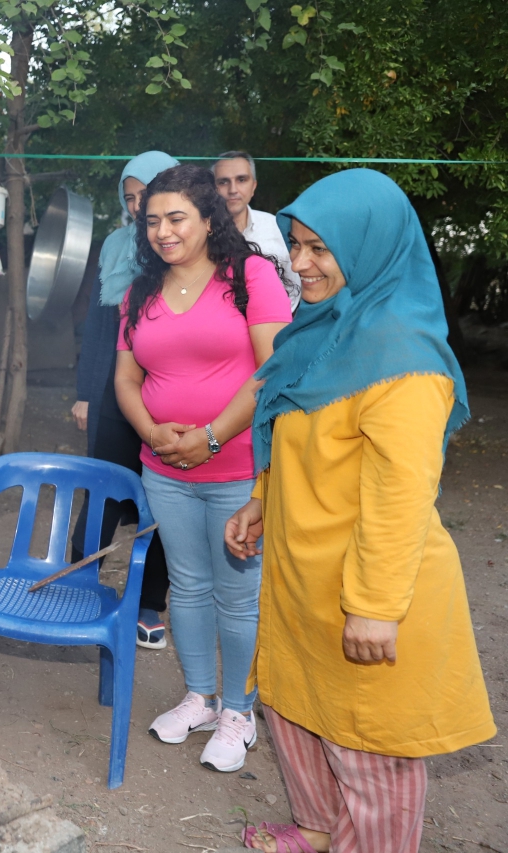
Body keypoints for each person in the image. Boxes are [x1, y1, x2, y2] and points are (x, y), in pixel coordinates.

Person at [226, 169, 496, 853]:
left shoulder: (404, 360)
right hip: (300, 579)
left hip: (365, 591)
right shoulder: (321, 332)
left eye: (322, 248)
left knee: (368, 745)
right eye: (296, 244)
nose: (302, 263)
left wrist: (373, 603)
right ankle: (317, 827)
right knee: (295, 711)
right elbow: (293, 427)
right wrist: (262, 500)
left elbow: (400, 494)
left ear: (371, 249)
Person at [113, 164, 291, 773]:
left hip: (240, 468)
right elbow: (126, 378)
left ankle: (240, 711)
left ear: (209, 218)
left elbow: (273, 372)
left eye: (176, 218)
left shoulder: (251, 276)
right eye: (153, 219)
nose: (162, 230)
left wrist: (211, 438)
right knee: (186, 585)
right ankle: (201, 697)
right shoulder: (141, 292)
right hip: (165, 469)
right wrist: (153, 432)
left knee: (238, 597)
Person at [70, 150, 177, 650]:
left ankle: (149, 600)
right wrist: (84, 396)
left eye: (147, 195)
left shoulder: (185, 249)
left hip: (170, 395)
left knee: (162, 499)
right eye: (130, 198)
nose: (137, 207)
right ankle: (77, 584)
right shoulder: (114, 247)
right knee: (102, 491)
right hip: (114, 392)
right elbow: (97, 330)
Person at [212, 151, 301, 311]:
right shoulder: (200, 233)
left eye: (241, 180)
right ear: (213, 189)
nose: (233, 189)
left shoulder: (276, 227)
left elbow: (294, 285)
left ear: (254, 186)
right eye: (224, 182)